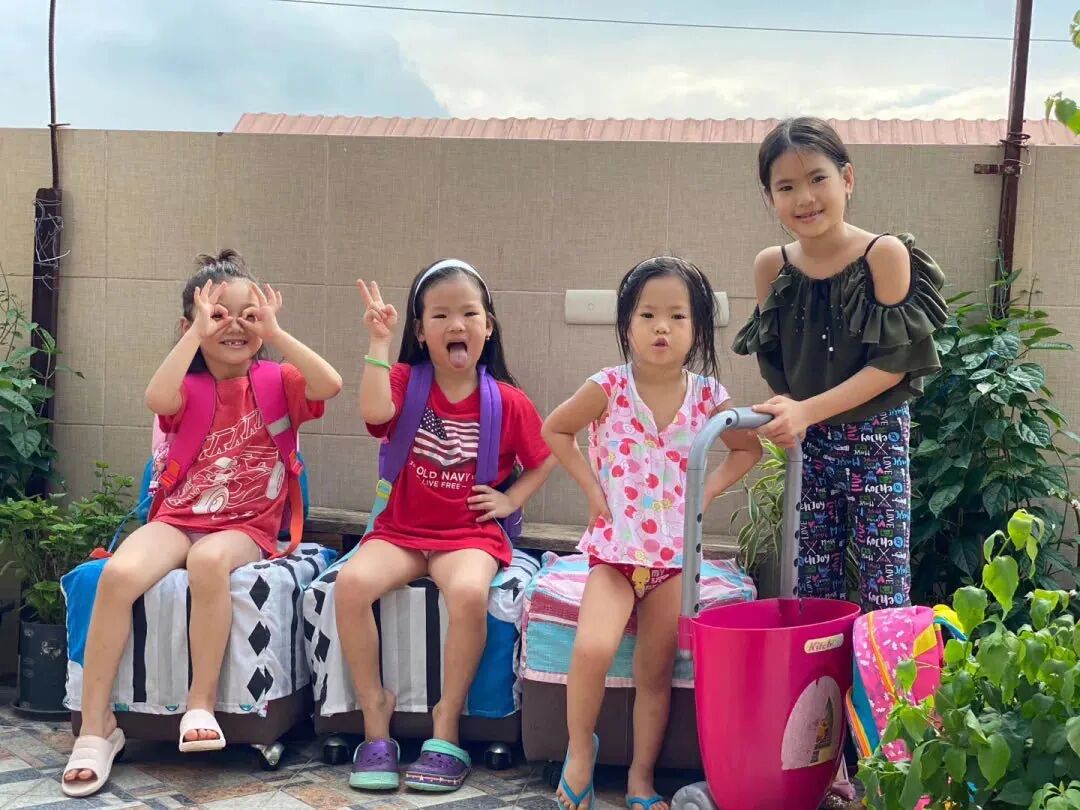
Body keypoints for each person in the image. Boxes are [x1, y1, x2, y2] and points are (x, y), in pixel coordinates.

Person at [63, 250, 341, 797]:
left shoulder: (277, 380)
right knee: (118, 576)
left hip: (246, 525)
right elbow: (156, 397)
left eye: (248, 314)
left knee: (209, 561)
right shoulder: (187, 386)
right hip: (178, 516)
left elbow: (329, 383)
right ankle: (96, 727)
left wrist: (276, 333)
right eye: (218, 314)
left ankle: (200, 704)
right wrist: (194, 334)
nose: (234, 325)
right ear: (190, 323)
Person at [543, 256, 762, 810]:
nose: (662, 327)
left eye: (677, 316)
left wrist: (705, 493)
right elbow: (556, 430)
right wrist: (593, 492)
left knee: (655, 673)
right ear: (627, 323)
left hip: (673, 562)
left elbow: (747, 449)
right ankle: (579, 752)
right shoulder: (608, 386)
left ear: (697, 328)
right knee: (592, 648)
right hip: (614, 555)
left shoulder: (709, 396)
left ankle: (641, 779)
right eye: (647, 315)